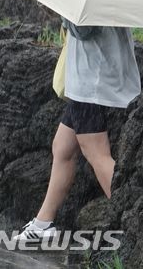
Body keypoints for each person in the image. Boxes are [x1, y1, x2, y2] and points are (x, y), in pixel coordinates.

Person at [13, 21, 140, 242]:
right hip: (97, 74)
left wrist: (66, 16)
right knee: (63, 147)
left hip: (91, 80)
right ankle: (43, 223)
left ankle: (134, 223)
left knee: (96, 152)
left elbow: (83, 29)